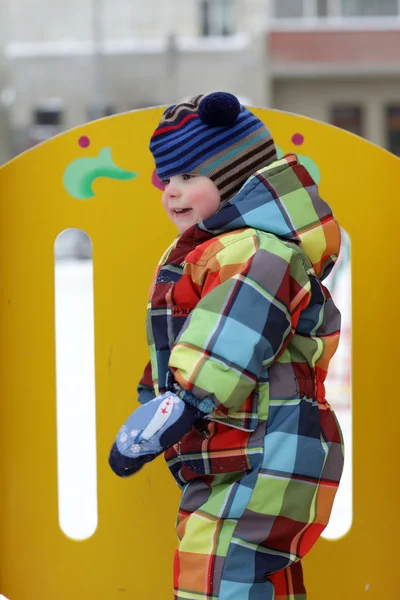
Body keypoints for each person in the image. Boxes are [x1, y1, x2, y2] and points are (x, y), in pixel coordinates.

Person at [109, 92, 344, 599]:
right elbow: (182, 339)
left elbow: (234, 333)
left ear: (236, 174)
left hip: (269, 444)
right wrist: (156, 400)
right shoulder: (221, 249)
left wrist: (182, 402)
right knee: (242, 570)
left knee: (220, 570)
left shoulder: (259, 252)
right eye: (166, 179)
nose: (172, 192)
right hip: (242, 441)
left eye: (189, 176)